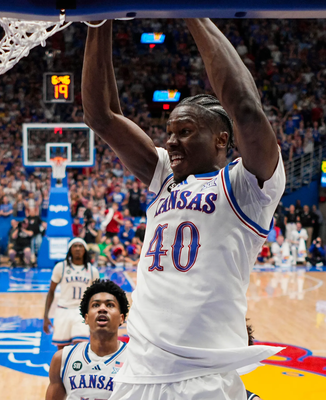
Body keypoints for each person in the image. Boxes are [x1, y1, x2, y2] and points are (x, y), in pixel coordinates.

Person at [82, 18, 285, 399]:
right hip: (137, 375)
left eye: (185, 131)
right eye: (170, 133)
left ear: (221, 139)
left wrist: (192, 11)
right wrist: (98, 18)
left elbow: (244, 107)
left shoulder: (247, 186)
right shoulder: (164, 176)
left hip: (203, 379)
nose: (172, 142)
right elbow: (101, 115)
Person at [46, 279, 129, 400]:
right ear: (86, 318)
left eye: (110, 305)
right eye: (96, 305)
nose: (102, 309)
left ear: (121, 318)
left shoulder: (134, 360)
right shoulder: (62, 359)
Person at [43, 238, 100, 350]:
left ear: (85, 250)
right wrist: (46, 316)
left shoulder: (93, 271)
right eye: (75, 246)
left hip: (82, 311)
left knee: (80, 346)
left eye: (80, 246)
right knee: (62, 349)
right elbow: (51, 292)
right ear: (70, 250)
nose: (78, 249)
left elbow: (97, 295)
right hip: (63, 310)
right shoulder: (61, 267)